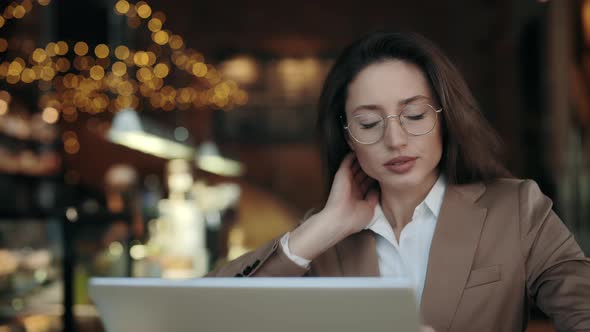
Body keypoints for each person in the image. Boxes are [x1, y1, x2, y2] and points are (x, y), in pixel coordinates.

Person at [207, 31, 590, 331]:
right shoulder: (326, 237)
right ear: (347, 136)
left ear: (445, 118)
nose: (396, 140)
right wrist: (324, 226)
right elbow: (209, 317)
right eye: (370, 123)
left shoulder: (518, 210)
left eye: (415, 115)